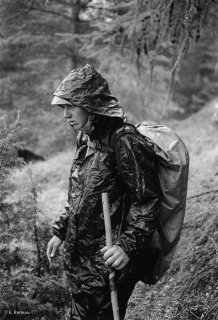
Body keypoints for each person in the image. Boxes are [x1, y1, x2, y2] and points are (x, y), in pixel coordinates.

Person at [46, 64, 161, 320]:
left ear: (89, 105)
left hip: (108, 264)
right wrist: (61, 230)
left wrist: (125, 248)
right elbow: (81, 196)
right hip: (82, 262)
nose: (65, 115)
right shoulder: (86, 138)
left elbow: (148, 202)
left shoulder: (124, 142)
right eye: (62, 108)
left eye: (69, 107)